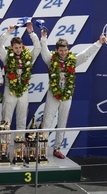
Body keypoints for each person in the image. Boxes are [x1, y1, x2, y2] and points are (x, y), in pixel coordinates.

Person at [40, 30, 106, 159]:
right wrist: (43, 38)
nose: (63, 53)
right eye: (61, 51)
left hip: (67, 95)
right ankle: (42, 149)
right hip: (53, 94)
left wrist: (98, 43)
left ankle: (57, 148)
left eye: (65, 50)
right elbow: (44, 51)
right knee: (47, 120)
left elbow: (85, 55)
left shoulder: (72, 60)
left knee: (62, 121)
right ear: (57, 50)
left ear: (68, 50)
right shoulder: (51, 60)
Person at [0, 22, 41, 140]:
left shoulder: (28, 57)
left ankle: (19, 149)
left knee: (22, 120)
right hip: (9, 90)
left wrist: (31, 33)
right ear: (11, 48)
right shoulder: (7, 57)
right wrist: (8, 32)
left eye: (20, 47)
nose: (18, 50)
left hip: (23, 91)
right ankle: (3, 149)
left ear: (23, 47)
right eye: (16, 48)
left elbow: (38, 48)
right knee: (6, 119)